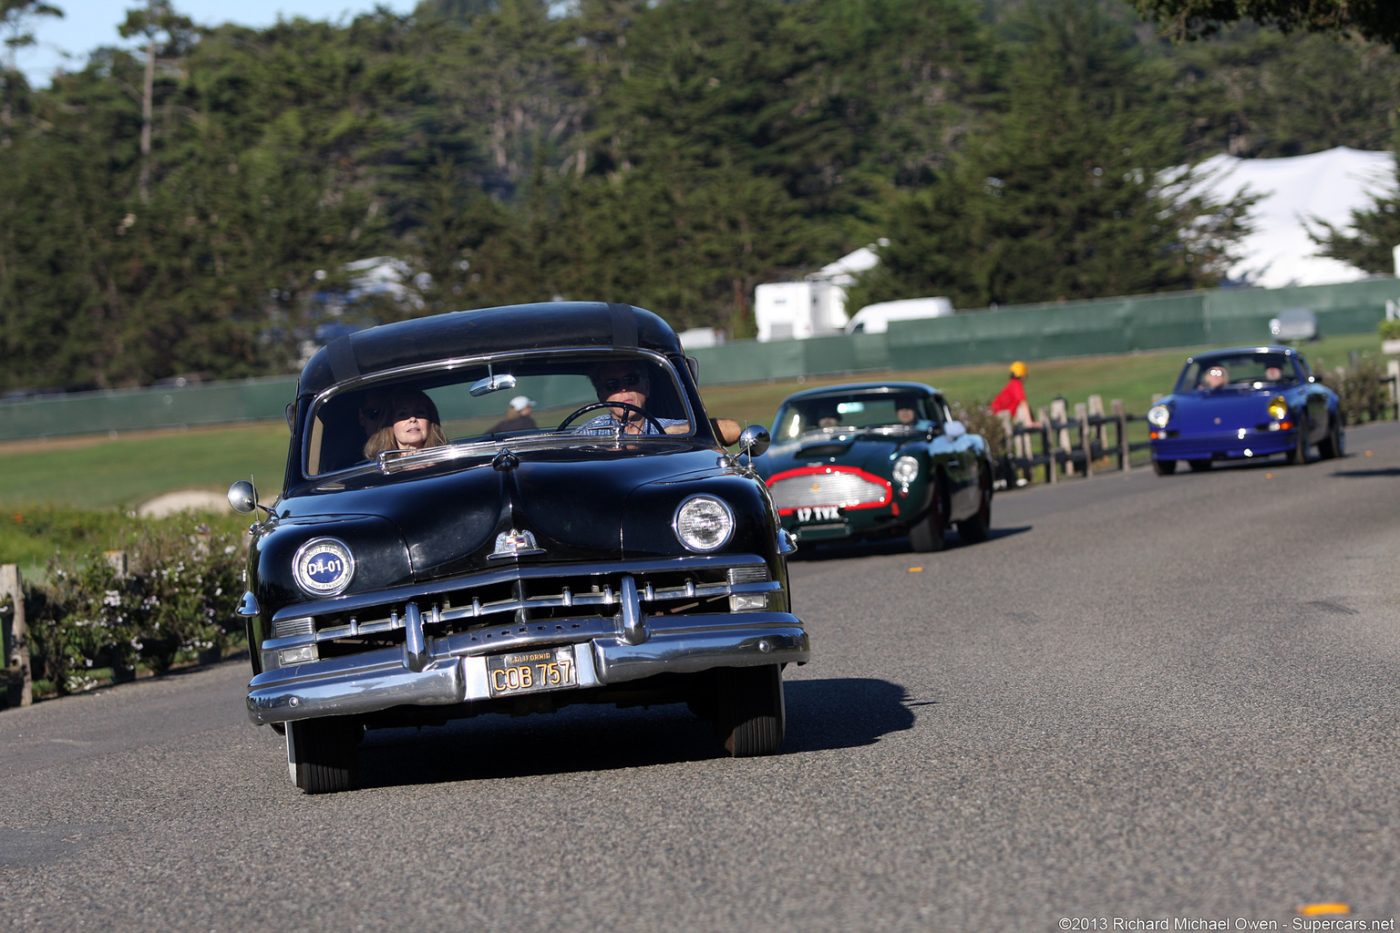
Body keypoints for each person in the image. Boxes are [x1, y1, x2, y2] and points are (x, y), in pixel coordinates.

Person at [576, 360, 743, 444]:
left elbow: (733, 430)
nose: (624, 389)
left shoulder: (664, 427)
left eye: (631, 379)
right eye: (612, 385)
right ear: (601, 396)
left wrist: (672, 432)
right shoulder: (589, 432)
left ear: (646, 387)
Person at [363, 389, 447, 458]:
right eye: (402, 414)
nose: (413, 419)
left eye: (420, 412)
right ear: (389, 424)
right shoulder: (376, 469)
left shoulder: (447, 459)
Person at [990, 361, 1040, 428]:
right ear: (1023, 374)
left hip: (1000, 416)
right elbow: (1023, 403)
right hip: (1000, 417)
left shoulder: (1012, 384)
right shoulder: (1016, 384)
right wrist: (1029, 422)